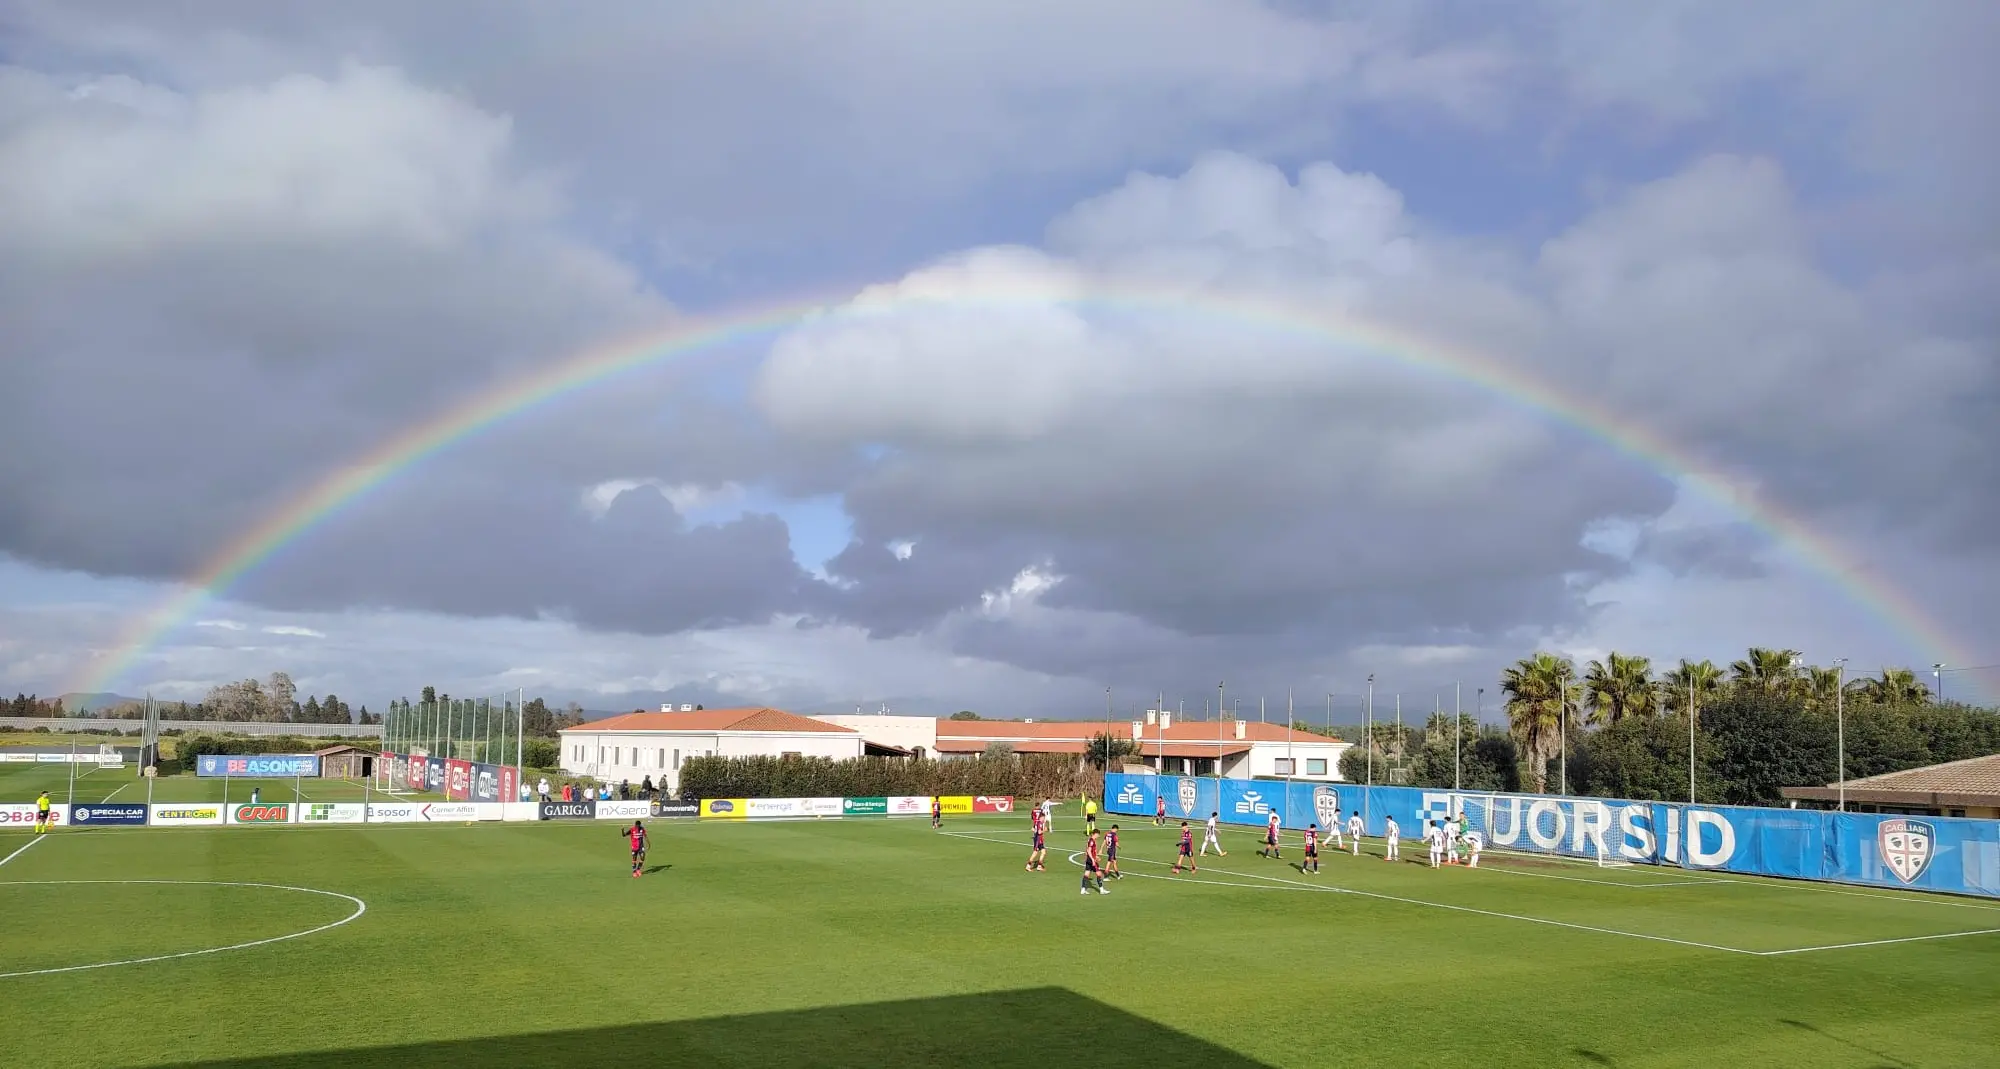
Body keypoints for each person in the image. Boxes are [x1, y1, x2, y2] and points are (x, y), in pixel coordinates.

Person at [1080, 829, 1109, 895]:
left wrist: (1096, 857)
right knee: (1099, 874)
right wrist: (1093, 860)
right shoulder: (1092, 841)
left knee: (1086, 874)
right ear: (1095, 834)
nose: (1098, 836)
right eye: (1098, 835)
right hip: (1091, 860)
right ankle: (1101, 890)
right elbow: (1089, 851)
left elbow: (1088, 851)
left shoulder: (1090, 840)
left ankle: (1083, 889)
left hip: (1089, 859)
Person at [1025, 807, 1048, 872]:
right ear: (1041, 818)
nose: (1044, 819)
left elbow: (1032, 829)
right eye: (1043, 818)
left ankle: (1039, 866)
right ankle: (1028, 866)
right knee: (1035, 853)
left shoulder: (1037, 823)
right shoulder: (1040, 824)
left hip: (1039, 840)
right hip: (1038, 840)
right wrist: (1045, 830)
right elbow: (1039, 832)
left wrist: (1035, 831)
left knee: (1043, 852)